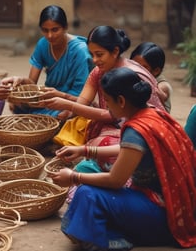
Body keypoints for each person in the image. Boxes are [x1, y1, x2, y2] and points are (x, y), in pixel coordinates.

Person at [49, 67, 196, 250]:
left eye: (108, 101)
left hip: (163, 216)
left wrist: (72, 177)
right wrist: (85, 150)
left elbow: (116, 180)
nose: (107, 106)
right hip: (177, 205)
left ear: (121, 101)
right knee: (90, 173)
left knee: (86, 193)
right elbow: (129, 150)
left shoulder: (136, 129)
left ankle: (108, 241)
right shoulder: (152, 113)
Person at [39, 25, 165, 172]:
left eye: (99, 54)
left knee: (98, 144)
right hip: (118, 126)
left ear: (115, 51)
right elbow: (83, 103)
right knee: (82, 124)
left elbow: (111, 116)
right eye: (91, 54)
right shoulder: (98, 72)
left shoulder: (129, 75)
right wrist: (64, 104)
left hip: (143, 133)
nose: (94, 60)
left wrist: (67, 104)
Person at [1, 5, 93, 117]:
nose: (50, 35)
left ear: (65, 27)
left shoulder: (80, 51)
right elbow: (32, 84)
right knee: (16, 104)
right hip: (50, 97)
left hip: (72, 101)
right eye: (45, 30)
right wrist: (20, 80)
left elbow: (81, 95)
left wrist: (60, 97)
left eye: (55, 30)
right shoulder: (43, 44)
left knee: (63, 116)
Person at [130, 42, 173, 113]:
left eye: (143, 67)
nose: (137, 70)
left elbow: (162, 95)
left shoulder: (161, 85)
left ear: (156, 71)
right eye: (134, 65)